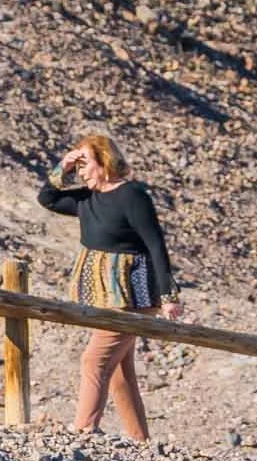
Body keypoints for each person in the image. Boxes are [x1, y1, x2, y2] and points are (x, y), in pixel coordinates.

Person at [38, 133, 180, 440]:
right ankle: (141, 441)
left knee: (94, 359)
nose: (81, 172)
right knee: (118, 371)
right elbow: (47, 198)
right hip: (105, 296)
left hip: (133, 296)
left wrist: (169, 296)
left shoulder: (132, 196)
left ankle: (84, 431)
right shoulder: (86, 199)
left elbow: (156, 244)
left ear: (105, 162)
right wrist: (63, 165)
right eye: (78, 166)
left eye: (85, 163)